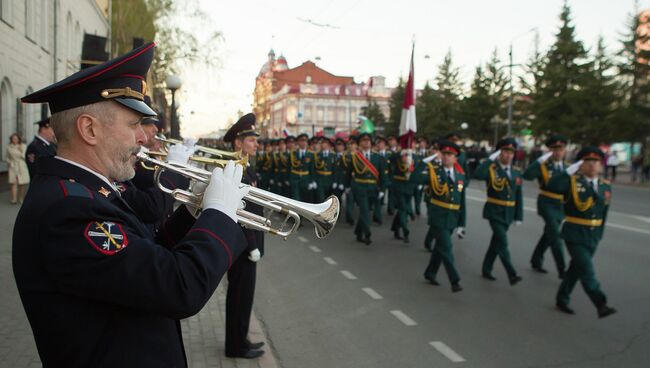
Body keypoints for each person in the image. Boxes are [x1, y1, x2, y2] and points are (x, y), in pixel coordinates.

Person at [13, 42, 250, 367]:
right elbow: (179, 287)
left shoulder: (83, 192)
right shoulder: (67, 210)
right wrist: (220, 216)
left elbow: (143, 253)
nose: (143, 137)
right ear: (89, 129)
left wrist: (192, 212)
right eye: (133, 124)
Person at [546, 147, 617, 318]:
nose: (592, 165)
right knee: (587, 270)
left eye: (596, 162)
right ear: (581, 165)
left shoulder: (605, 187)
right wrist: (568, 171)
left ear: (601, 165)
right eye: (588, 162)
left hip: (592, 236)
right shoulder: (571, 182)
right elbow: (552, 185)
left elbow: (604, 214)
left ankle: (562, 299)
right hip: (575, 234)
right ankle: (600, 303)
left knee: (575, 270)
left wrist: (599, 234)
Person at [222, 113, 266, 359]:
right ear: (238, 143)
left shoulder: (246, 166)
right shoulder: (236, 169)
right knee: (239, 296)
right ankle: (236, 346)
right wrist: (251, 245)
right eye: (251, 140)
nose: (255, 144)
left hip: (247, 244)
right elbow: (240, 211)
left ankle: (242, 339)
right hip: (242, 246)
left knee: (244, 296)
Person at [415, 140, 466, 292]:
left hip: (452, 218)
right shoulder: (433, 172)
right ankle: (454, 280)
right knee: (447, 247)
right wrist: (424, 161)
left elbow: (462, 202)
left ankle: (430, 273)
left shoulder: (460, 176)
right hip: (437, 216)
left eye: (450, 155)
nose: (446, 157)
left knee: (440, 248)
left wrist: (462, 224)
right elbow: (414, 178)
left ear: (455, 158)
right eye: (444, 154)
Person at [473, 137, 524, 285]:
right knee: (502, 242)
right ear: (499, 153)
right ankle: (512, 273)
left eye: (511, 152)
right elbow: (477, 175)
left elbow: (518, 196)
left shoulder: (516, 172)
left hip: (509, 212)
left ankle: (486, 268)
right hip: (494, 211)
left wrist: (518, 216)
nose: (508, 155)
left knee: (496, 242)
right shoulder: (491, 168)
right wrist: (490, 160)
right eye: (505, 152)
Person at [523, 135, 568, 278]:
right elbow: (527, 175)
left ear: (565, 151)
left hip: (561, 205)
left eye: (560, 149)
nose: (558, 152)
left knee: (549, 233)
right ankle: (562, 270)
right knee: (555, 235)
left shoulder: (568, 168)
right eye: (554, 149)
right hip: (546, 202)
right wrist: (539, 161)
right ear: (549, 151)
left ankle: (536, 259)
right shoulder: (543, 166)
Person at [344, 133, 388, 245]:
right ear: (359, 143)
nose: (366, 142)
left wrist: (382, 190)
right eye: (364, 141)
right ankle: (367, 233)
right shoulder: (354, 157)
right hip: (359, 187)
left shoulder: (378, 157)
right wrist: (347, 187)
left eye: (368, 140)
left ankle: (358, 232)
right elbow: (348, 174)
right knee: (364, 210)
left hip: (373, 188)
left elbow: (383, 176)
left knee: (367, 210)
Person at [389, 150, 415, 243]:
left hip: (409, 187)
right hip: (398, 187)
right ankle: (405, 231)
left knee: (402, 208)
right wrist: (401, 152)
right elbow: (391, 158)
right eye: (404, 155)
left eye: (407, 155)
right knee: (403, 208)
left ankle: (395, 228)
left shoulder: (414, 157)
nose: (406, 157)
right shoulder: (397, 159)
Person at [289, 133, 316, 202]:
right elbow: (288, 168)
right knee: (295, 199)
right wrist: (289, 179)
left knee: (305, 199)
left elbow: (312, 169)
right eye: (301, 140)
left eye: (305, 141)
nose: (304, 143)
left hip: (305, 179)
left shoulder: (311, 154)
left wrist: (312, 181)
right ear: (298, 142)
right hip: (295, 179)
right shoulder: (293, 153)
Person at [6, 133, 30, 204]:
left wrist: (20, 150)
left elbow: (24, 156)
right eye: (13, 138)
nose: (14, 140)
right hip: (13, 166)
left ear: (18, 139)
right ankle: (14, 199)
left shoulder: (23, 146)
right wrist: (9, 162)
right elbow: (6, 157)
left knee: (21, 183)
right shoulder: (9, 147)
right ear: (11, 139)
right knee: (13, 183)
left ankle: (21, 198)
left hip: (21, 165)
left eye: (16, 138)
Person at [314, 137, 337, 203]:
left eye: (325, 143)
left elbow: (335, 170)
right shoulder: (317, 155)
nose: (323, 145)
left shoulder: (333, 155)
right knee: (321, 199)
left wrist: (335, 181)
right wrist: (314, 180)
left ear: (328, 145)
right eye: (322, 143)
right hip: (320, 179)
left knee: (328, 199)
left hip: (329, 179)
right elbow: (314, 169)